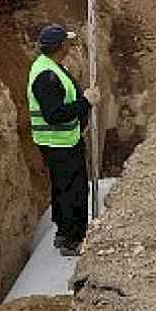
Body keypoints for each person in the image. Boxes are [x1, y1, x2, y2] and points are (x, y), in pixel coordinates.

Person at [28, 24, 98, 256]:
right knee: (74, 191)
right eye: (67, 42)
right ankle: (73, 240)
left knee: (62, 188)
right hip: (59, 143)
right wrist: (85, 102)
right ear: (59, 47)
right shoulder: (46, 76)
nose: (70, 45)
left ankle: (62, 233)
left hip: (62, 141)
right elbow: (54, 115)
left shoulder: (50, 66)